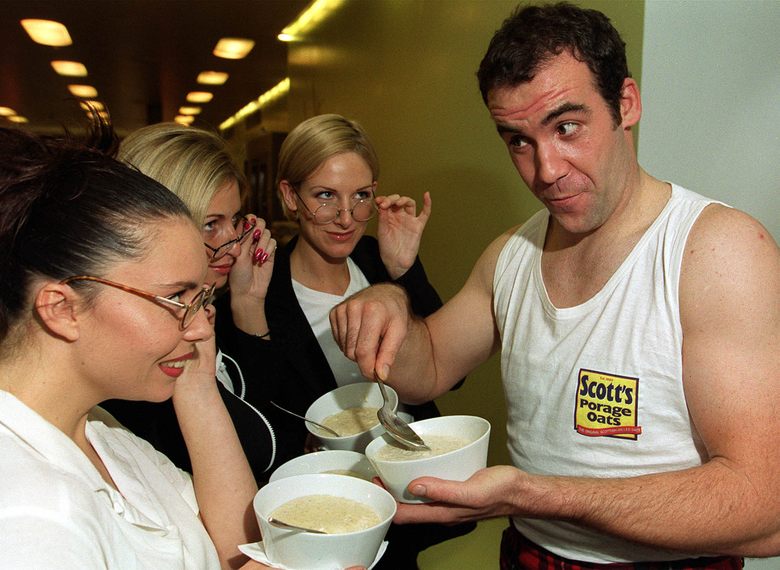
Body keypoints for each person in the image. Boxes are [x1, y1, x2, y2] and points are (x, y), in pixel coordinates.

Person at [329, 3, 780, 569]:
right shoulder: (511, 254)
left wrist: (531, 494)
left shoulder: (715, 252)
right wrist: (391, 300)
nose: (545, 169)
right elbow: (429, 367)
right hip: (528, 555)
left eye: (567, 127)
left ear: (626, 104)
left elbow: (766, 508)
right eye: (517, 140)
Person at [0, 123, 268, 569]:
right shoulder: (25, 519)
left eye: (201, 299)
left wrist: (195, 381)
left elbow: (238, 550)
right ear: (61, 309)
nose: (199, 328)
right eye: (175, 298)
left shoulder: (97, 426)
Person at [214, 113, 474, 569]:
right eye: (325, 196)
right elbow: (255, 418)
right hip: (327, 514)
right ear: (290, 196)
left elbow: (450, 375)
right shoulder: (260, 286)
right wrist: (246, 312)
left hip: (400, 497)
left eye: (361, 197)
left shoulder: (378, 262)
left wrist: (405, 270)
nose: (346, 218)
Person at [102, 123, 302, 482]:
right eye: (211, 224)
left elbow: (267, 408)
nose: (236, 243)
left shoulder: (205, 309)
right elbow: (262, 448)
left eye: (235, 220)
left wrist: (248, 302)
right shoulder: (148, 345)